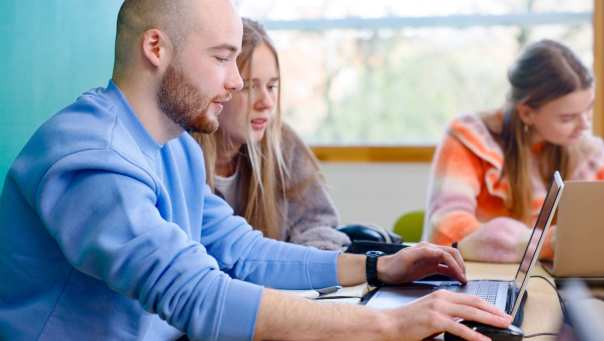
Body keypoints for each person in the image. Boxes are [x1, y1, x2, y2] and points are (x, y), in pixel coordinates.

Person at [0, 1, 511, 340]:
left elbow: (240, 252)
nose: (235, 81)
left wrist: (378, 265)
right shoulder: (93, 158)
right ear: (156, 49)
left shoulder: (171, 144)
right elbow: (196, 295)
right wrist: (388, 326)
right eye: (223, 58)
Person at [425, 39, 604, 263]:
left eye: (588, 110)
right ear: (527, 113)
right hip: (481, 277)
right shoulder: (469, 137)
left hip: (556, 282)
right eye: (568, 118)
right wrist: (549, 243)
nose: (585, 125)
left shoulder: (588, 152)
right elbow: (446, 228)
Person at [193, 18, 349, 250]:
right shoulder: (180, 153)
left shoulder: (282, 141)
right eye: (249, 87)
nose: (266, 103)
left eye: (272, 86)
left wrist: (298, 266)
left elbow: (319, 224)